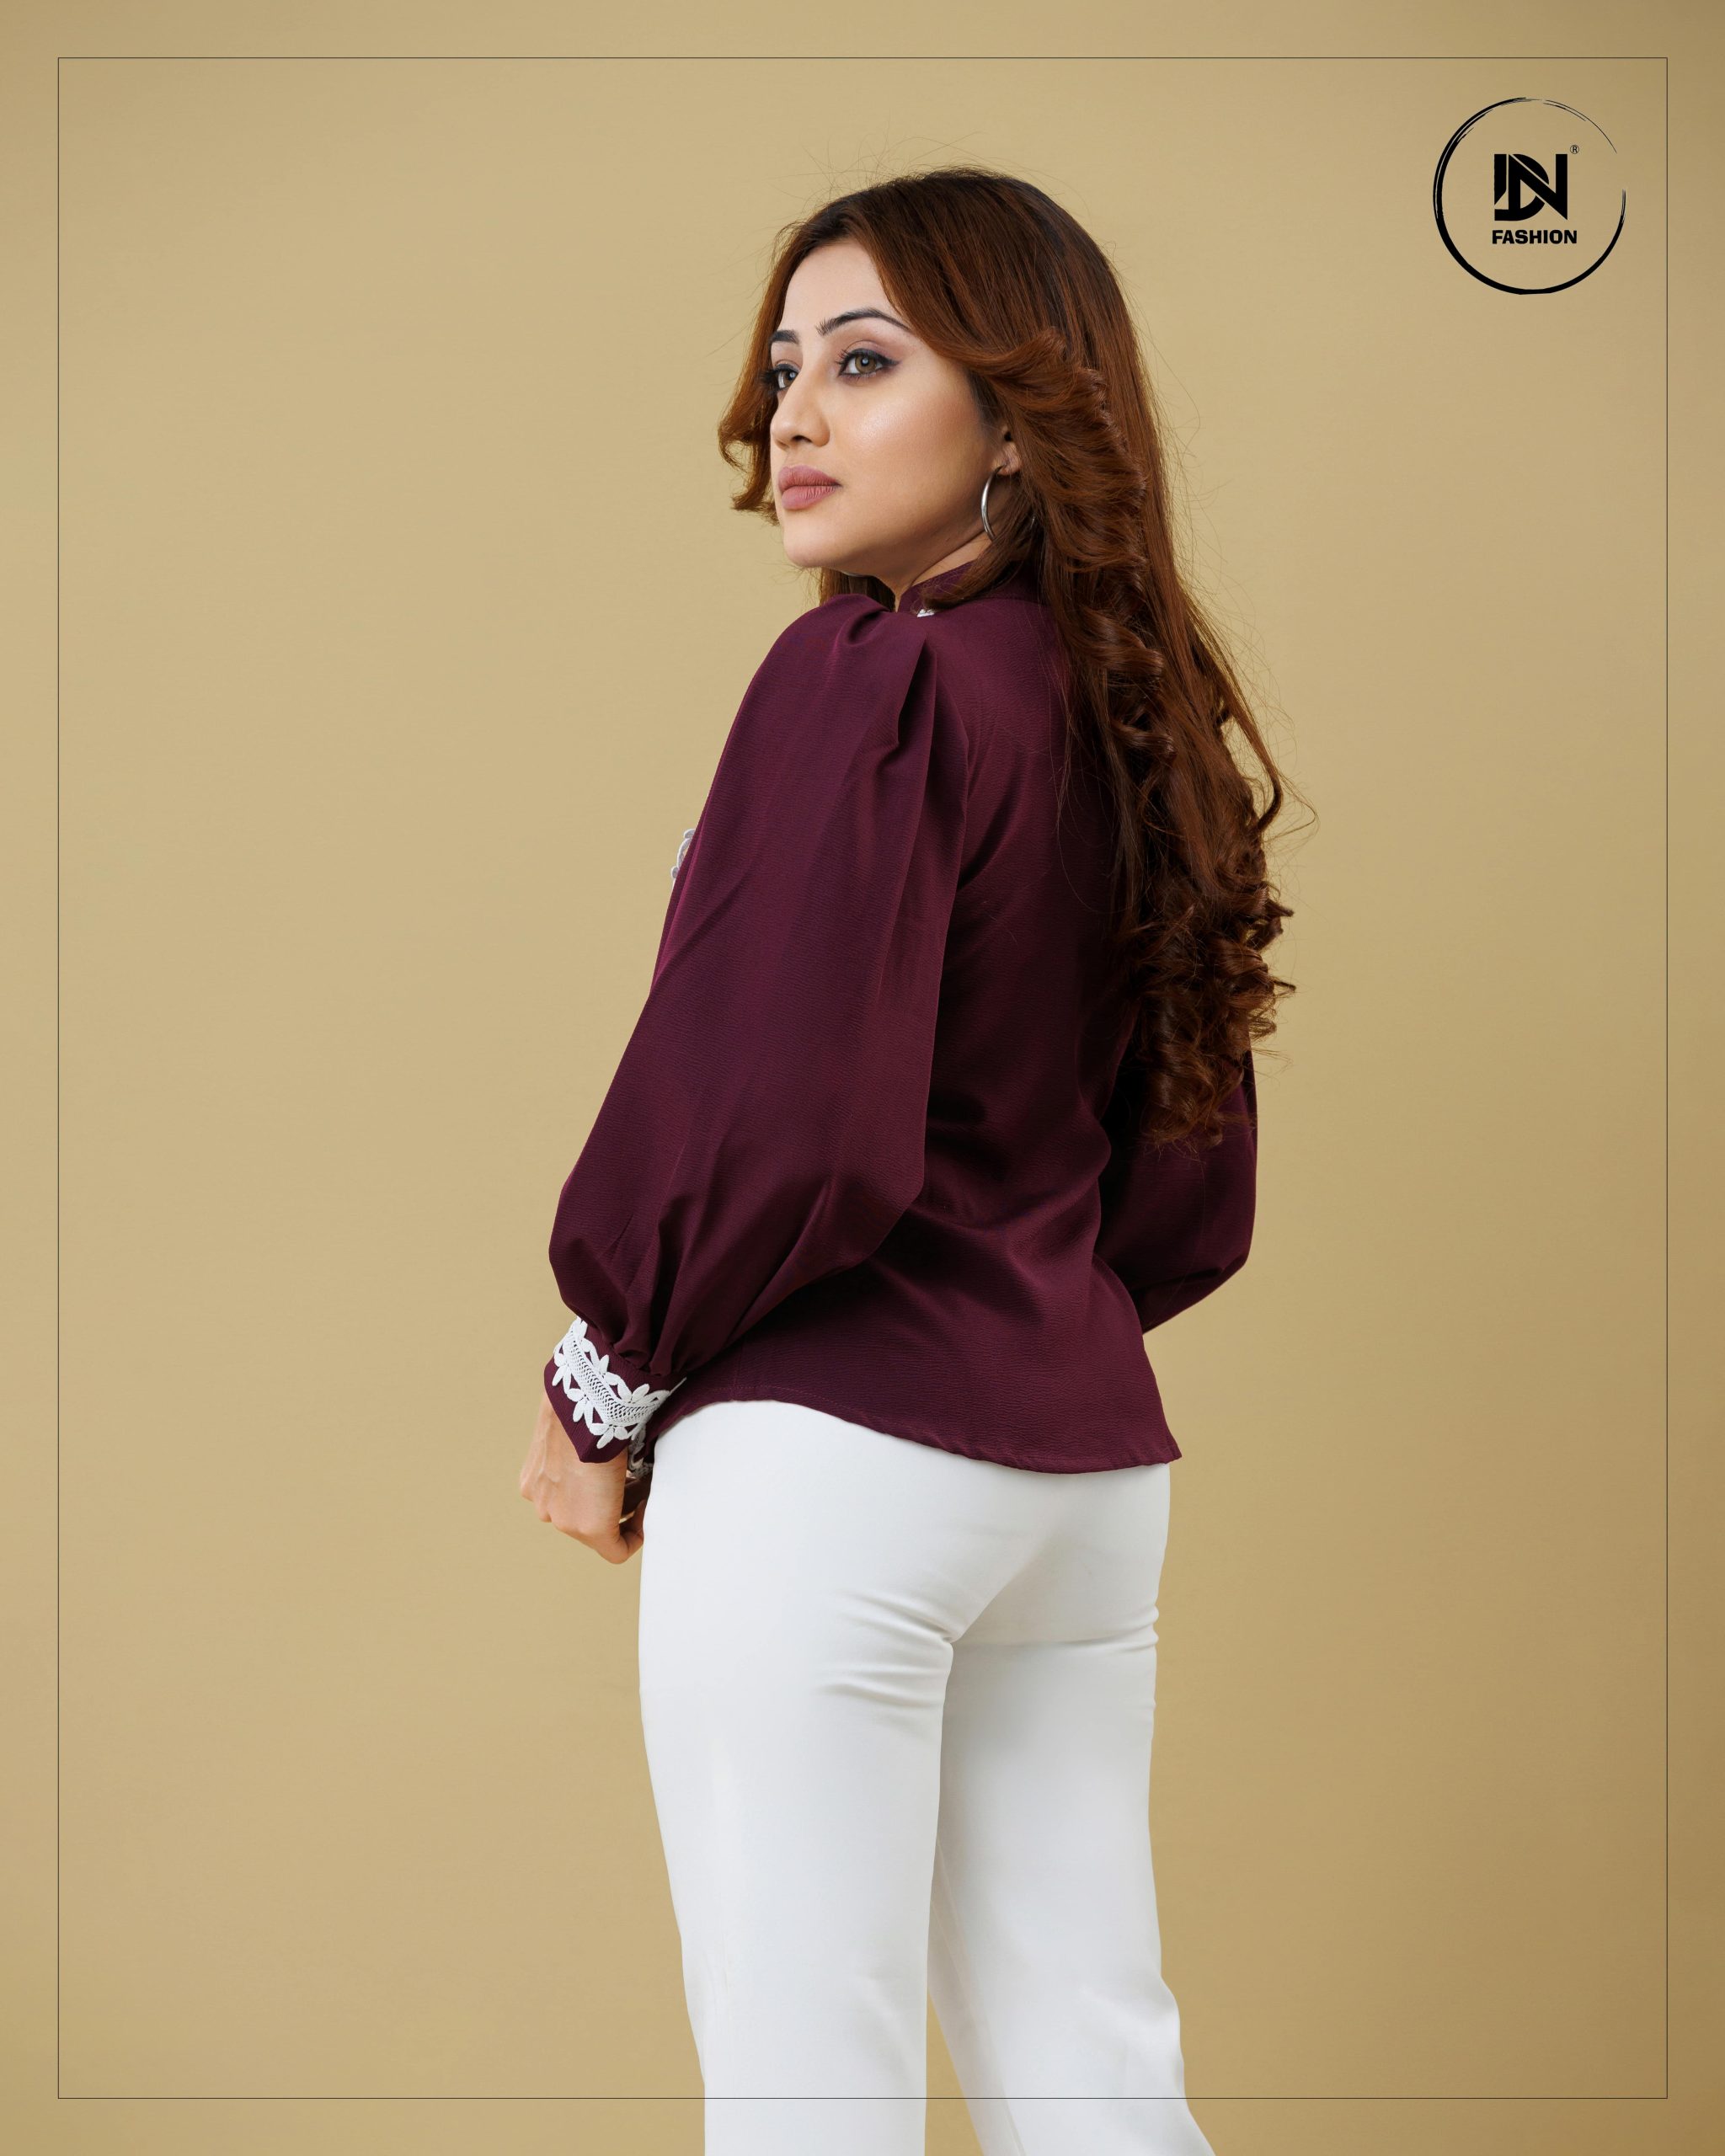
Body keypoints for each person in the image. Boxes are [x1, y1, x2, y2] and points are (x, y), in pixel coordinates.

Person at [519, 165, 1297, 2156]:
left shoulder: (866, 676)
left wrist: (602, 1380)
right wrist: (1033, 1307)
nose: (792, 413)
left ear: (1016, 417)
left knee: (807, 2092)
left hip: (830, 1474)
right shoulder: (1137, 725)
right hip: (1081, 1482)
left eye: (862, 363)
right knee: (1094, 2072)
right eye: (785, 364)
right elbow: (1182, 1186)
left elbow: (777, 1107)